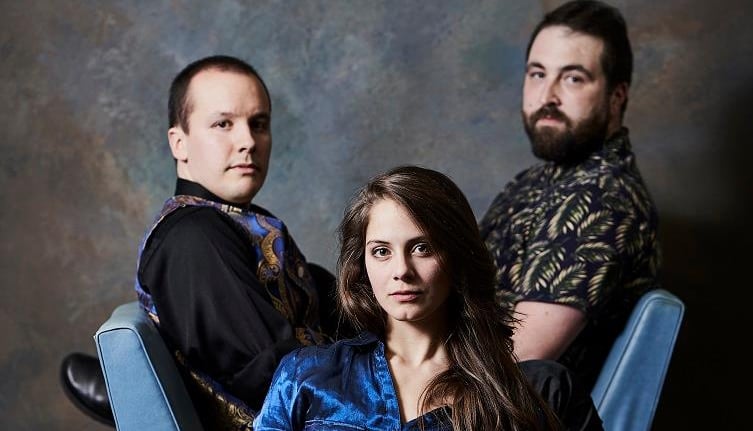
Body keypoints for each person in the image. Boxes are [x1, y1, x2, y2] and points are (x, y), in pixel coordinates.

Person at [62, 55, 342, 429]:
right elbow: (276, 377)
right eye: (223, 124)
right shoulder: (193, 238)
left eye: (258, 124)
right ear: (179, 143)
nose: (248, 141)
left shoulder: (235, 224)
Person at [254, 166, 601, 431]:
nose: (401, 270)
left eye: (422, 248)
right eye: (381, 251)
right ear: (361, 265)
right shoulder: (306, 376)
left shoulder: (530, 393)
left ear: (457, 257)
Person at [479, 0, 661, 390]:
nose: (548, 95)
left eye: (573, 78)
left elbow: (515, 360)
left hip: (496, 408)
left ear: (616, 96)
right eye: (537, 74)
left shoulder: (602, 198)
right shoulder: (533, 182)